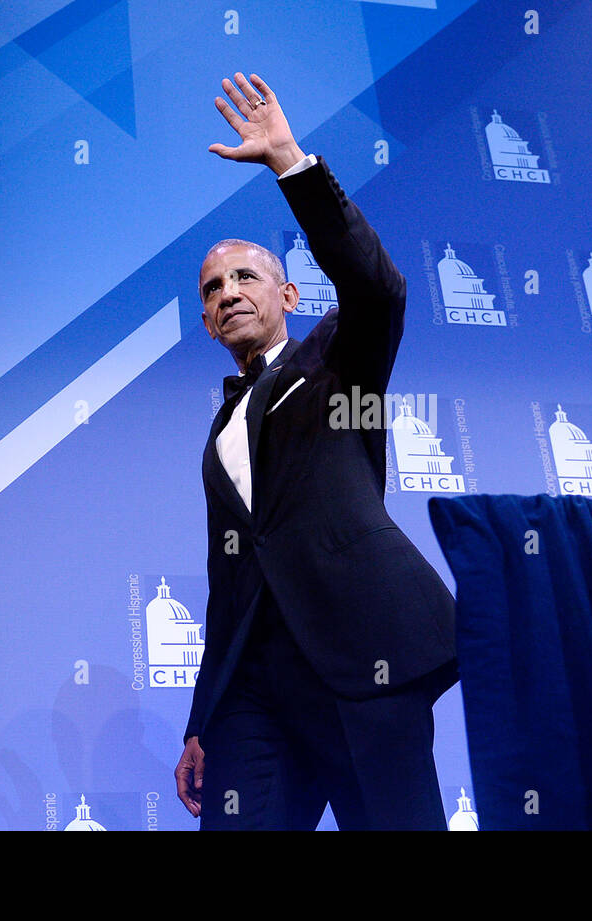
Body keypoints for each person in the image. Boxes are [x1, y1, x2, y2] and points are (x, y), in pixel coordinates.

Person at [173, 72, 459, 830]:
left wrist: (289, 163)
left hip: (363, 660)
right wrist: (202, 718)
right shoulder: (217, 436)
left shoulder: (337, 356)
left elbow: (378, 287)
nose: (227, 292)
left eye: (244, 276)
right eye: (210, 289)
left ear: (289, 297)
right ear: (205, 322)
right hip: (256, 691)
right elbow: (229, 580)